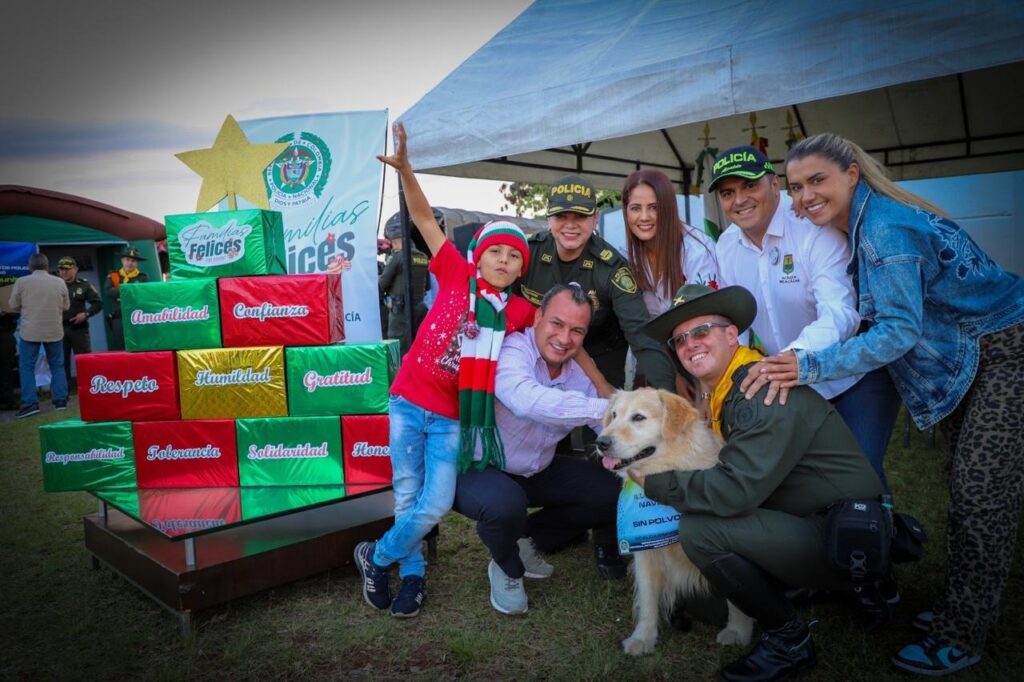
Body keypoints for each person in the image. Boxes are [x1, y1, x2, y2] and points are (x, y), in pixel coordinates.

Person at [751, 132, 1024, 677]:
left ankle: (962, 633)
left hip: (1008, 353)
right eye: (798, 185)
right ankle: (959, 609)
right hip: (972, 358)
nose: (804, 197)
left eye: (817, 181)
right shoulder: (864, 224)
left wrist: (809, 364)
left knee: (980, 497)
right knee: (967, 489)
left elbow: (898, 332)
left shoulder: (882, 230)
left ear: (852, 173)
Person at [637, 283, 885, 681]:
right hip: (814, 519)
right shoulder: (731, 389)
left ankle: (790, 641)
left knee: (699, 532)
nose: (689, 344)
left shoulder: (758, 390)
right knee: (706, 603)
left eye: (701, 331)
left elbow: (733, 492)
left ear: (732, 334)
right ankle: (812, 591)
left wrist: (651, 484)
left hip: (843, 537)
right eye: (679, 339)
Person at [354, 122, 536, 618]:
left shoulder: (521, 314)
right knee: (407, 496)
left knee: (433, 505)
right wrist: (407, 170)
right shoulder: (456, 271)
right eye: (495, 251)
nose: (502, 260)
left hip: (455, 418)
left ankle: (376, 555)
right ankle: (411, 579)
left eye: (512, 256)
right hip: (409, 402)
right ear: (480, 255)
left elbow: (561, 334)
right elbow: (421, 217)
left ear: (522, 268)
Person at [709, 145, 899, 485]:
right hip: (784, 382)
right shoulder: (726, 245)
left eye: (749, 185)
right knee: (805, 485)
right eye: (727, 192)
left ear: (773, 183)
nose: (739, 200)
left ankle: (880, 531)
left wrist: (790, 358)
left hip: (852, 379)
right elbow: (733, 322)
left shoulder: (814, 229)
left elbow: (841, 312)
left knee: (861, 479)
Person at [454, 283, 620, 615]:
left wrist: (629, 452)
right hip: (480, 466)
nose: (564, 337)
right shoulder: (514, 348)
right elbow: (526, 400)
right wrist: (605, 408)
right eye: (556, 324)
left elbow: (610, 429)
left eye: (577, 330)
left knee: (610, 489)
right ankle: (506, 566)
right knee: (505, 504)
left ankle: (525, 542)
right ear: (538, 317)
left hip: (536, 469)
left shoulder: (579, 375)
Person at [518, 174, 676, 392]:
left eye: (580, 217)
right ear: (549, 218)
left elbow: (640, 334)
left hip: (600, 355)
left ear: (595, 218)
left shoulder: (612, 268)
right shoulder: (528, 253)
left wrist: (667, 391)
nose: (570, 225)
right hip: (537, 352)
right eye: (562, 216)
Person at [621, 168, 719, 397]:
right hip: (663, 361)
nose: (644, 217)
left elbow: (707, 324)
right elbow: (647, 326)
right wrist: (673, 374)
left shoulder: (696, 250)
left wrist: (704, 389)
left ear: (668, 208)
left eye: (654, 207)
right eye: (636, 208)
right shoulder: (626, 256)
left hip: (708, 358)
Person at [8, 253, 70, 418]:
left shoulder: (22, 282)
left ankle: (30, 403)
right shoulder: (59, 282)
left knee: (27, 367)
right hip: (54, 330)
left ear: (30, 267)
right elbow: (66, 306)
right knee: (57, 365)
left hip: (30, 331)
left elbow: (13, 305)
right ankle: (60, 401)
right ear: (47, 266)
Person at [378, 212, 431, 353]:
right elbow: (428, 286)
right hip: (420, 307)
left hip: (400, 311)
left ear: (396, 241)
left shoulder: (399, 256)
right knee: (417, 345)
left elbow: (382, 284)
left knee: (397, 347)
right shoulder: (423, 257)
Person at [57, 256, 102, 387]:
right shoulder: (55, 285)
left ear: (75, 269)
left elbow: (98, 304)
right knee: (60, 362)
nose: (64, 272)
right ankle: (63, 394)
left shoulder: (84, 284)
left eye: (67, 269)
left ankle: (87, 388)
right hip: (59, 329)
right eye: (61, 269)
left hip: (79, 329)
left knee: (84, 360)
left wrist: (86, 314)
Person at [103, 246, 149, 351]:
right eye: (127, 260)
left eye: (133, 260)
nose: (130, 263)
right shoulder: (113, 276)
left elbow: (144, 295)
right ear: (122, 260)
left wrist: (120, 292)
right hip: (119, 318)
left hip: (137, 317)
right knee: (120, 347)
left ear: (137, 263)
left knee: (139, 346)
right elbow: (108, 292)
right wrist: (129, 290)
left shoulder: (143, 277)